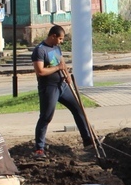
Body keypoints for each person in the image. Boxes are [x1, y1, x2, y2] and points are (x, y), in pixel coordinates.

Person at [31, 25, 94, 158]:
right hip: (49, 88)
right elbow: (40, 71)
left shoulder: (56, 48)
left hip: (62, 86)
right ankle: (39, 149)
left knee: (78, 109)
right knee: (46, 117)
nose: (61, 41)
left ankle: (88, 140)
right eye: (60, 38)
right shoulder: (40, 50)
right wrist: (58, 68)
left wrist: (66, 74)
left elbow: (62, 62)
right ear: (52, 36)